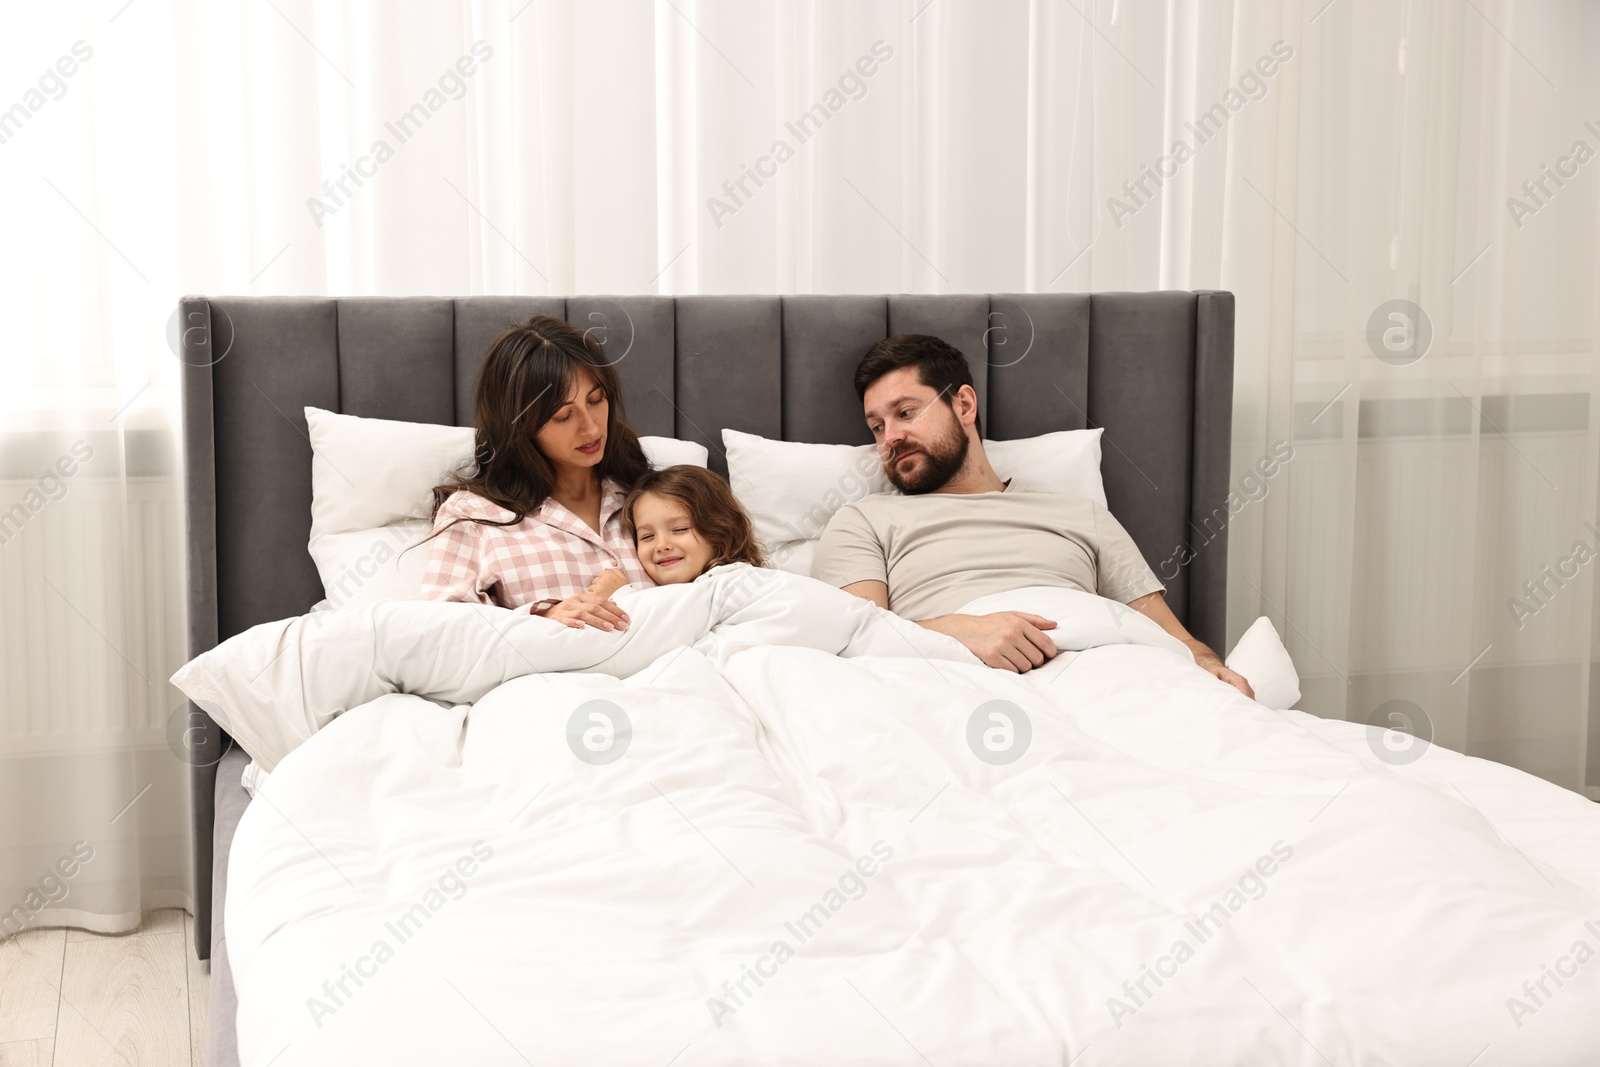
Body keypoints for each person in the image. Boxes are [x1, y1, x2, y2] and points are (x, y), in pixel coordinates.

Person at [812, 333, 1253, 695]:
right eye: (877, 426)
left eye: (905, 412)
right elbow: (856, 639)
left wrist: (1213, 672)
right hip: (957, 687)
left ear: (964, 405)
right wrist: (957, 630)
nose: (890, 437)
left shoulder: (1081, 515)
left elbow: (1173, 639)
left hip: (1107, 680)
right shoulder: (863, 520)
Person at [420, 314, 651, 631]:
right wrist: (542, 619)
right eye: (563, 416)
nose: (592, 427)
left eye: (596, 400)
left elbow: (724, 584)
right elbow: (444, 633)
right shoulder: (472, 516)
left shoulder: (657, 495)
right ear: (519, 424)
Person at [586, 465, 766, 599]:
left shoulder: (732, 579)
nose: (662, 546)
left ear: (720, 532)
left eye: (679, 529)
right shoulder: (671, 595)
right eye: (647, 536)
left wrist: (621, 595)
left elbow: (673, 626)